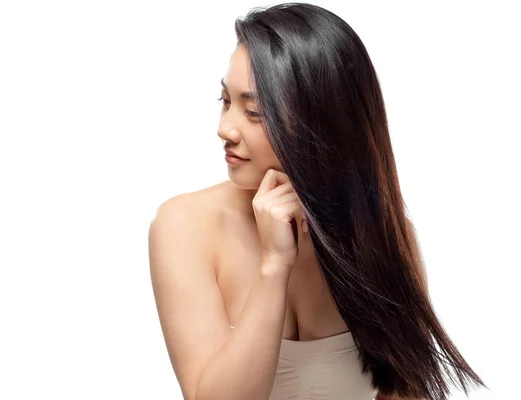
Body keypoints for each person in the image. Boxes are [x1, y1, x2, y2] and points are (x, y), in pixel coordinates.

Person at [149, 3, 487, 400]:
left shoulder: (381, 236)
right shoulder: (184, 226)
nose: (224, 129)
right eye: (225, 101)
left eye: (254, 112)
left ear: (320, 119)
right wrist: (274, 266)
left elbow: (405, 390)